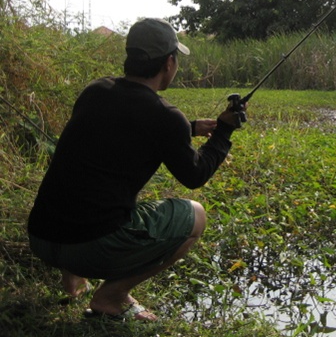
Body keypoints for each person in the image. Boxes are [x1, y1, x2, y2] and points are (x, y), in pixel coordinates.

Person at [27, 18, 244, 322]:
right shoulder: (166, 117)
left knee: (83, 192)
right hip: (89, 248)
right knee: (196, 215)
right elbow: (195, 176)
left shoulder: (96, 90)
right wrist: (223, 132)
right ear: (169, 62)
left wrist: (190, 128)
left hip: (42, 237)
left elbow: (119, 128)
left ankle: (72, 278)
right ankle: (111, 297)